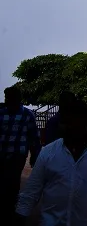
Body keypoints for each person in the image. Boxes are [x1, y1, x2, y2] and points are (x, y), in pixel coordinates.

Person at [15, 99, 87, 225]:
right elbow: (31, 191)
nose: (68, 127)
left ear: (85, 123)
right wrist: (20, 215)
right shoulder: (49, 152)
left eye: (73, 123)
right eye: (64, 123)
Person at [0, 86, 40, 218]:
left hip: (18, 155)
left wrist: (34, 155)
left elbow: (34, 137)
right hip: (2, 154)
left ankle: (11, 208)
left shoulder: (27, 115)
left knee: (13, 182)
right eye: (6, 98)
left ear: (18, 99)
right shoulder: (1, 113)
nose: (7, 100)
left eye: (10, 98)